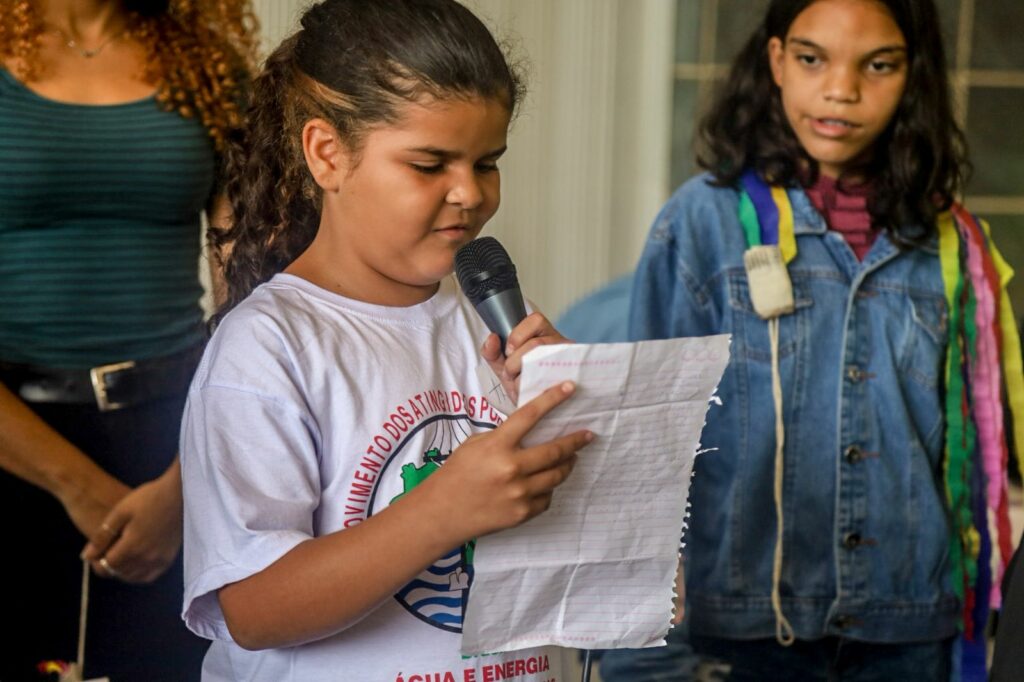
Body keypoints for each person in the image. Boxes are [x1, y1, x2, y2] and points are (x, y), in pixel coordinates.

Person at [179, 1, 594, 679]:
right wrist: (439, 512)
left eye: (487, 162)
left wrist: (584, 418)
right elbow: (252, 609)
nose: (470, 194)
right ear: (327, 153)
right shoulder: (268, 348)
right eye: (430, 165)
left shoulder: (493, 331)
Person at [628, 0, 1024, 680]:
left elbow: (973, 453)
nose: (841, 89)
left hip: (909, 631)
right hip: (746, 633)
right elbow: (648, 451)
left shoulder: (955, 247)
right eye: (813, 59)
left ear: (913, 73)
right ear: (777, 60)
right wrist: (645, 654)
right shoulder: (701, 223)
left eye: (878, 65)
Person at [0, 1, 256, 679]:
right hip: (14, 442)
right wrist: (75, 485)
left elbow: (248, 303)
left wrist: (183, 484)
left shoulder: (208, 66)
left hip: (175, 434)